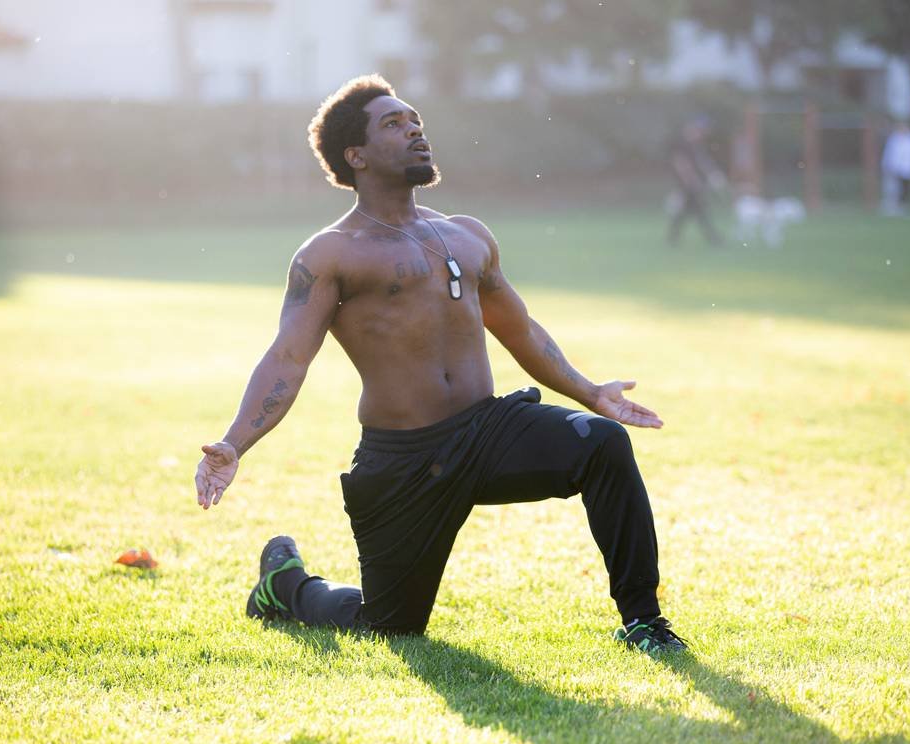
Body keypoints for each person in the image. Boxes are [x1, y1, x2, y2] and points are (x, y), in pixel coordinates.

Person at [193, 75, 688, 657]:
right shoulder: (330, 254)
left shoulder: (468, 235)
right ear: (356, 156)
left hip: (489, 430)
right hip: (403, 459)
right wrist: (234, 443)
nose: (415, 131)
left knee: (601, 444)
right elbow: (288, 357)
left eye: (416, 122)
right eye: (393, 125)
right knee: (389, 626)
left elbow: (519, 330)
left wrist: (590, 394)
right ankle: (287, 587)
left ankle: (643, 622)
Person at [665, 116, 726, 246]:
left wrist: (712, 175)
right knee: (699, 211)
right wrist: (692, 180)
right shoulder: (682, 144)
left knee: (690, 212)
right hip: (688, 185)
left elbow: (702, 163)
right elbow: (681, 164)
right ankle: (714, 239)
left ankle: (672, 239)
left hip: (691, 185)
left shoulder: (696, 145)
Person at [880, 121, 910, 217]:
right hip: (896, 169)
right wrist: (886, 166)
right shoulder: (894, 139)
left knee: (907, 189)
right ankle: (893, 208)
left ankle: (904, 208)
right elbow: (889, 154)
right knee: (895, 189)